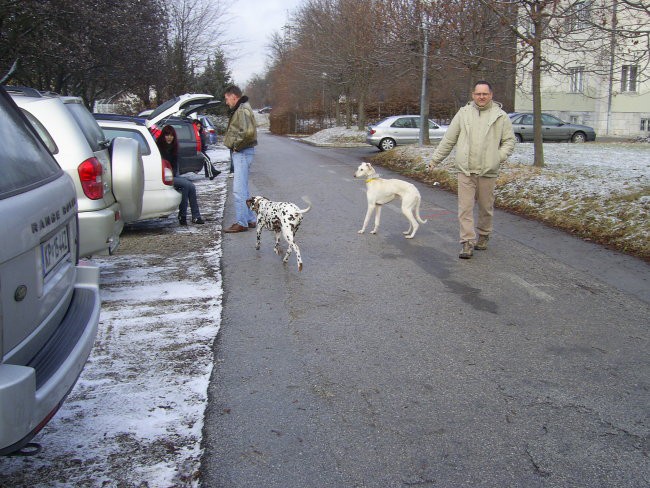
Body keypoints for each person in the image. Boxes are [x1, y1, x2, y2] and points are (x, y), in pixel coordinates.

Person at [427, 80, 515, 259]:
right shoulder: (463, 113)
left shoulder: (501, 116)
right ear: (473, 95)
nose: (481, 97)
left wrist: (497, 158)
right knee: (465, 208)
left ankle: (483, 234)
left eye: (485, 94)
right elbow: (449, 140)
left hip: (487, 171)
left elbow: (509, 141)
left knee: (485, 207)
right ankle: (467, 242)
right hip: (465, 170)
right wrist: (435, 160)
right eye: (478, 94)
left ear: (491, 95)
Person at [222, 85, 258, 233]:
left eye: (226, 98)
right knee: (243, 188)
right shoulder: (242, 108)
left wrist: (236, 146)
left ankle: (241, 222)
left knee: (238, 190)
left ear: (233, 96)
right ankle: (250, 219)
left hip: (242, 152)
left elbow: (247, 132)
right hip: (243, 152)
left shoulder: (242, 109)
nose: (226, 102)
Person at [156, 125, 205, 226]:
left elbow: (175, 167)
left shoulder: (174, 148)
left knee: (188, 187)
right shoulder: (158, 148)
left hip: (173, 175)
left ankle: (190, 216)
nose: (169, 137)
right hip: (163, 177)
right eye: (167, 135)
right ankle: (189, 216)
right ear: (163, 136)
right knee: (188, 185)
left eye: (171, 135)